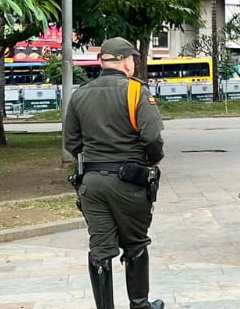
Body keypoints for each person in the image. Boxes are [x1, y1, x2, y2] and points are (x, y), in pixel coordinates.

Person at [63, 37, 165, 309]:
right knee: (135, 244)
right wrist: (152, 160)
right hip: (129, 184)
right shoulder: (136, 92)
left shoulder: (80, 94)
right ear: (126, 62)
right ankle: (140, 305)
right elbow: (152, 138)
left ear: (102, 61)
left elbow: (71, 143)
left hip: (92, 184)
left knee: (100, 248)